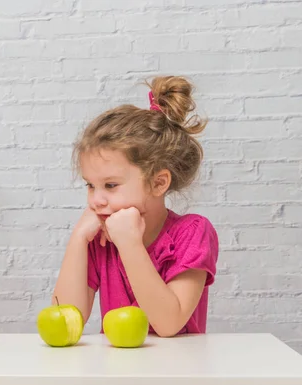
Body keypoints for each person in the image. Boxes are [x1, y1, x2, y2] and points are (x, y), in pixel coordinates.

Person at [53, 76, 218, 337]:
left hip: (178, 371)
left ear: (158, 182)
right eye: (90, 185)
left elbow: (168, 324)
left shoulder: (192, 232)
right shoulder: (99, 239)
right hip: (117, 372)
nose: (96, 200)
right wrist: (78, 239)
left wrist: (130, 244)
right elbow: (63, 324)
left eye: (110, 185)